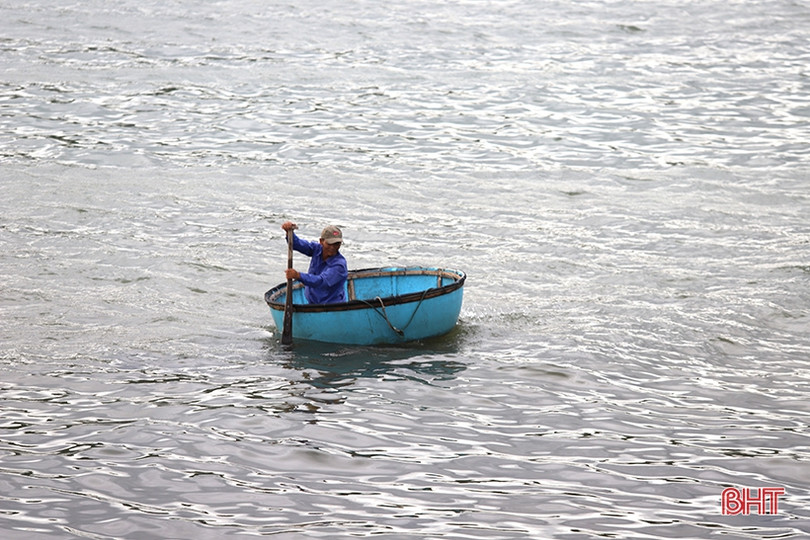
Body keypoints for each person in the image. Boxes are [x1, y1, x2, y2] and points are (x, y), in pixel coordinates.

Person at [281, 221, 348, 304]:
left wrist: (298, 275)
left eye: (337, 244)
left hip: (332, 306)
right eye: (329, 244)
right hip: (313, 302)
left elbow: (321, 282)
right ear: (321, 241)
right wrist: (289, 232)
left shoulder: (340, 265)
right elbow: (297, 244)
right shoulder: (317, 248)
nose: (333, 247)